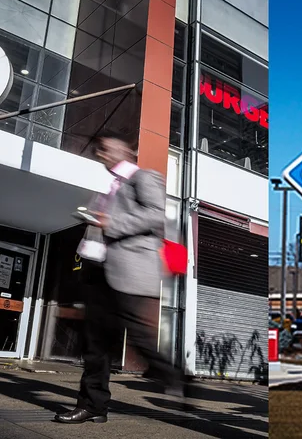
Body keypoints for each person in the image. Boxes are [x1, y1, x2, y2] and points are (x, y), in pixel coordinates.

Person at [55, 134, 184, 425]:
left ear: (127, 149)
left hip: (129, 272)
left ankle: (175, 378)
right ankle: (93, 406)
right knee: (95, 345)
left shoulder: (143, 177)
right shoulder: (108, 187)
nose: (102, 153)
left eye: (108, 147)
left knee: (139, 336)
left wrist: (111, 223)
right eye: (99, 150)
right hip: (100, 268)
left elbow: (155, 215)